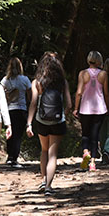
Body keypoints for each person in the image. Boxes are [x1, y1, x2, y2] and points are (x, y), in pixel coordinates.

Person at [26, 52, 72, 195]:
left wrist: (29, 123)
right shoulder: (62, 82)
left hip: (41, 120)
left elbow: (33, 103)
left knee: (44, 150)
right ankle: (48, 187)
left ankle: (44, 180)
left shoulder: (37, 82)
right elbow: (70, 104)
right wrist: (63, 114)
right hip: (58, 120)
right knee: (53, 154)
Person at [73, 50, 109, 172]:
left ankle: (85, 152)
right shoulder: (103, 74)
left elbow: (79, 92)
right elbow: (106, 93)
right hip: (99, 108)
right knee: (95, 136)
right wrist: (108, 107)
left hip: (85, 108)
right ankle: (93, 163)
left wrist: (76, 108)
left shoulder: (83, 73)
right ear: (99, 60)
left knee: (85, 133)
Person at [0, 57, 31, 168]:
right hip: (21, 109)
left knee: (10, 134)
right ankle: (14, 158)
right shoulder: (25, 80)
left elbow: (1, 93)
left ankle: (9, 157)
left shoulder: (5, 80)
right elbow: (29, 94)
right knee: (18, 135)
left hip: (9, 109)